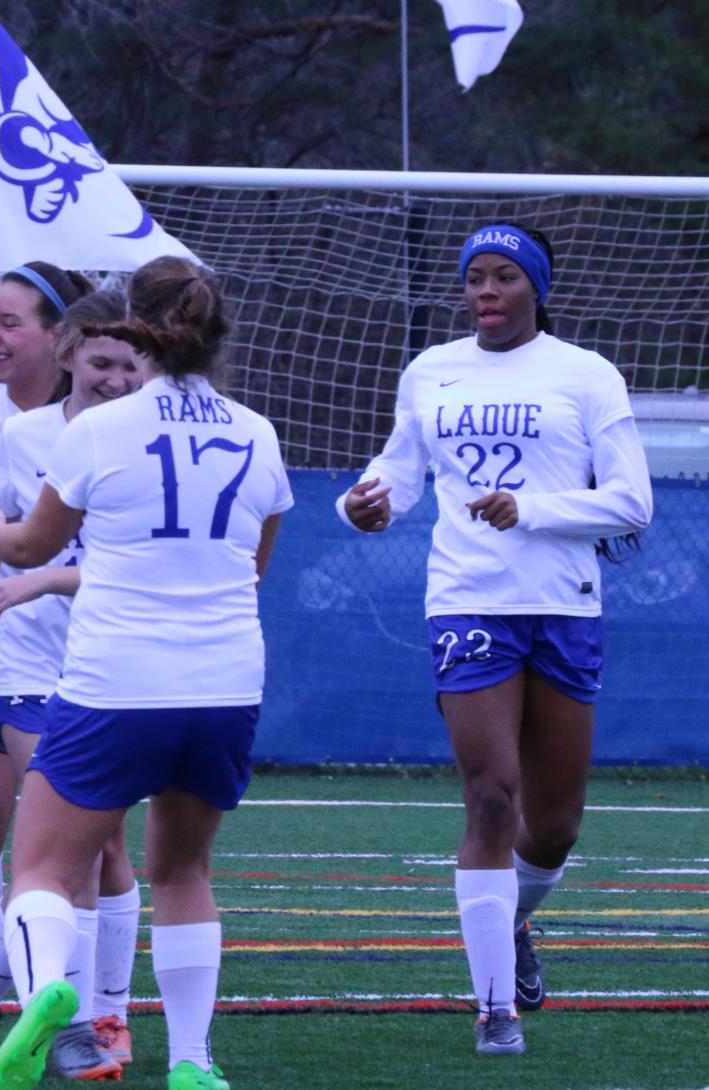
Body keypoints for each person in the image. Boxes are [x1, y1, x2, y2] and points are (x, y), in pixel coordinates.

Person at [0, 256, 293, 1090]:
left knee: (40, 868)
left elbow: (29, 548)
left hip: (117, 679)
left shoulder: (96, 430)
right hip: (224, 683)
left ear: (135, 328)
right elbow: (252, 566)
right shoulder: (256, 432)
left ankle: (46, 996)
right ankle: (191, 1062)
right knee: (183, 872)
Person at [338, 223, 653, 1056]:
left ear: (535, 288)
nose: (484, 291)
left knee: (551, 828)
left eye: (503, 276)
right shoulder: (430, 370)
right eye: (474, 277)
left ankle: (509, 925)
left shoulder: (585, 376)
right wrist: (358, 504)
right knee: (490, 797)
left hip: (562, 605)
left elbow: (631, 503)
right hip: (467, 600)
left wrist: (533, 511)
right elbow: (395, 475)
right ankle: (493, 1011)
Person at [0, 290, 145, 1080]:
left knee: (92, 845)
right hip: (29, 668)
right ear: (68, 358)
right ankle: (79, 1029)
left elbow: (134, 570)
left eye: (130, 365)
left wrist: (46, 578)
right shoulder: (25, 435)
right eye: (100, 363)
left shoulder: (149, 441)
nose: (115, 379)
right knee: (72, 844)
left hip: (117, 667)